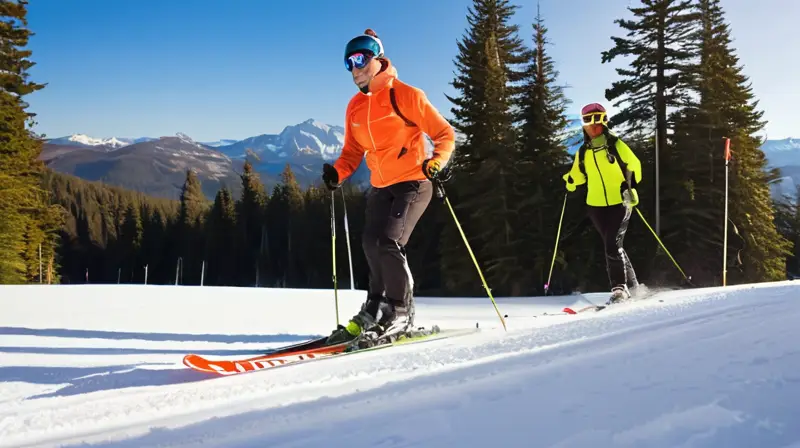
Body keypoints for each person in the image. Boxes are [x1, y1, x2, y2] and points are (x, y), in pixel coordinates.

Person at [321, 29, 456, 344]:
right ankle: (375, 307)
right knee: (371, 243)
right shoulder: (355, 106)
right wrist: (338, 174)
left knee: (388, 242)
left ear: (377, 59)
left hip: (413, 182)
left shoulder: (405, 94)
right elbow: (353, 152)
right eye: (349, 63)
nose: (355, 69)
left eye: (361, 59)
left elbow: (444, 134)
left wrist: (437, 162)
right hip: (381, 186)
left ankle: (398, 310)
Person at [563, 102, 642, 303]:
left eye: (597, 123)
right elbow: (578, 176)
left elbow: (635, 166)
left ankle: (619, 289)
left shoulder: (616, 145)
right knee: (615, 245)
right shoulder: (583, 152)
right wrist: (570, 182)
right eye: (589, 124)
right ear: (584, 126)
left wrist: (629, 185)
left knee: (611, 244)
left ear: (604, 123)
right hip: (595, 206)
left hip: (620, 202)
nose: (593, 128)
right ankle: (634, 286)